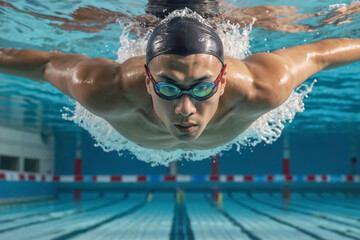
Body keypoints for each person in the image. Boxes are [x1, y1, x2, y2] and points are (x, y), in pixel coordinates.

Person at [1, 13, 360, 151]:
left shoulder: (261, 87)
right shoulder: (102, 88)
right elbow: (46, 64)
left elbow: (321, 54)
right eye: (168, 88)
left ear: (221, 82)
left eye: (202, 88)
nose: (184, 109)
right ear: (147, 81)